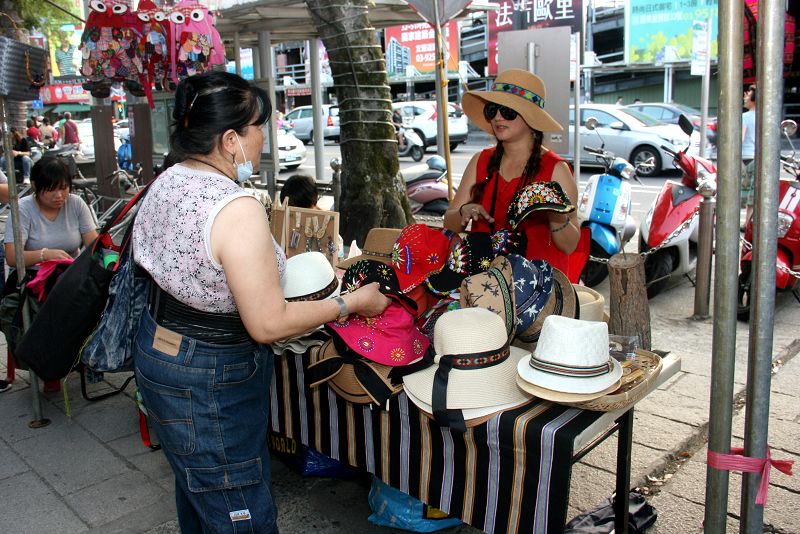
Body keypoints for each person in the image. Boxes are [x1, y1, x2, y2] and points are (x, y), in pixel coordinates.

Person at [131, 71, 389, 533]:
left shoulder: (168, 180)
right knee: (237, 503)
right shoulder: (235, 208)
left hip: (160, 349)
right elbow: (268, 323)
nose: (264, 137)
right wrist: (351, 303)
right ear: (231, 139)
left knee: (198, 486)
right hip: (212, 373)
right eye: (259, 127)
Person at [444, 69, 580, 274]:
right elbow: (450, 224)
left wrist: (555, 215)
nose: (498, 117)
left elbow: (570, 246)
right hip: (485, 283)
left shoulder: (556, 170)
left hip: (537, 286)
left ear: (531, 118)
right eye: (492, 110)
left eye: (508, 111)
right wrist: (464, 212)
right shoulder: (480, 161)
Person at [3, 157, 97, 393]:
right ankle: (50, 365)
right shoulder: (23, 209)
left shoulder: (75, 204)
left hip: (69, 274)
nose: (59, 196)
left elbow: (94, 245)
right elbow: (13, 257)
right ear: (35, 186)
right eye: (51, 189)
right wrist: (45, 254)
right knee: (52, 306)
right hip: (33, 278)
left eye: (64, 188)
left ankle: (84, 355)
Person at [741, 84, 757, 226]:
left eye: (748, 95)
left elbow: (740, 139)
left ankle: (746, 224)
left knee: (744, 193)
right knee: (753, 195)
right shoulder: (765, 117)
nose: (744, 97)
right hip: (758, 158)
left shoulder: (745, 117)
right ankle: (748, 224)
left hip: (746, 158)